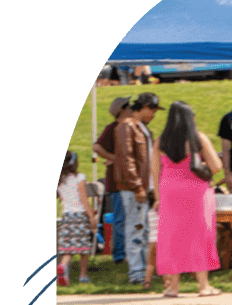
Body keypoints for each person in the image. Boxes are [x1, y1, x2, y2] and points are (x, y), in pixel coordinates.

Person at [150, 100, 224, 297]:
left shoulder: (161, 141)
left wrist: (158, 197)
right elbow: (216, 166)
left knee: (173, 237)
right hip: (196, 192)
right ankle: (203, 286)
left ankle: (173, 287)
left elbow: (155, 171)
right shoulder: (198, 139)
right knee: (200, 236)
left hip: (170, 192)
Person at [113, 92, 163, 286]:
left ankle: (146, 268)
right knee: (136, 228)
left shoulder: (142, 128)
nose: (154, 115)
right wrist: (137, 187)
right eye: (153, 111)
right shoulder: (126, 126)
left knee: (146, 230)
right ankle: (136, 271)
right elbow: (126, 159)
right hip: (134, 188)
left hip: (145, 188)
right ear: (144, 108)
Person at [93, 96, 133, 262]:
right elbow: (96, 147)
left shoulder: (128, 127)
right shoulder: (114, 128)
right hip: (117, 182)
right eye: (129, 106)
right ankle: (119, 255)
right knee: (121, 220)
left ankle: (127, 253)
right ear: (122, 109)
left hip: (127, 181)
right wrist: (115, 158)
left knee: (126, 220)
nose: (132, 108)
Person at [56, 151, 98, 286]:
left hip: (67, 216)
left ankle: (63, 266)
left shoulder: (61, 180)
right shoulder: (80, 177)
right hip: (80, 216)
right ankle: (83, 275)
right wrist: (91, 215)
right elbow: (84, 199)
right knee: (83, 249)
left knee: (68, 249)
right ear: (74, 163)